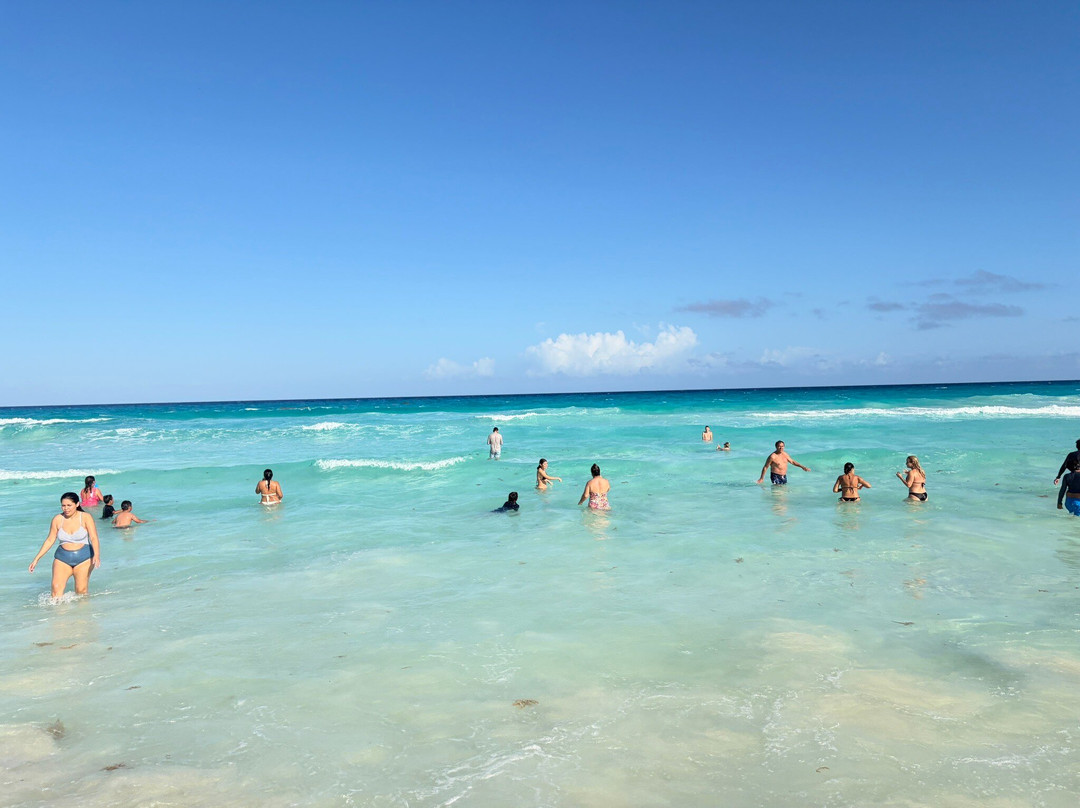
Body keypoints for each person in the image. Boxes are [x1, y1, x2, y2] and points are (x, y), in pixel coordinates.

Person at [29, 492, 102, 598]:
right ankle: (57, 614)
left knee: (81, 591)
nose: (66, 508)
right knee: (55, 591)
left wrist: (97, 555)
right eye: (63, 505)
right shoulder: (58, 519)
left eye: (69, 505)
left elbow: (94, 537)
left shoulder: (86, 517)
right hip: (62, 558)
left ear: (77, 504)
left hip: (84, 558)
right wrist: (36, 559)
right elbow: (50, 540)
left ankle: (82, 614)